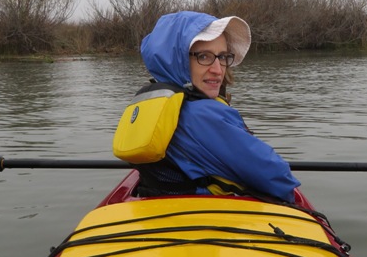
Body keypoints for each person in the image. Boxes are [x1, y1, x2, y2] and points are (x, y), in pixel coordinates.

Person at [121, 10, 300, 203]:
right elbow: (278, 178)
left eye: (222, 57)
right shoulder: (202, 115)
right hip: (210, 218)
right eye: (204, 57)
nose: (217, 70)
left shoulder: (152, 103)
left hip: (163, 209)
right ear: (177, 60)